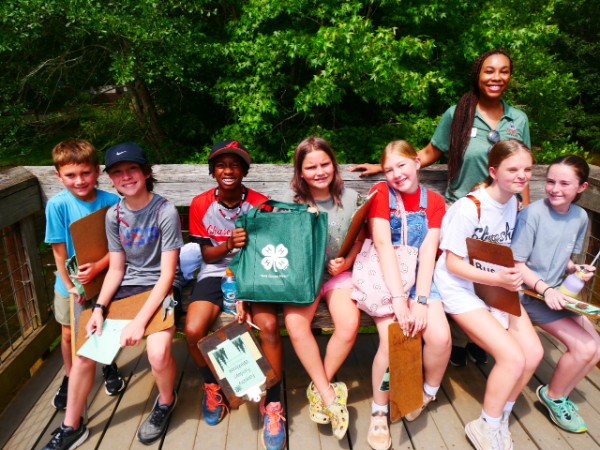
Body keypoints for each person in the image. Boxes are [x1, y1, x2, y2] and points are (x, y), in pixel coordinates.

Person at [351, 48, 532, 366]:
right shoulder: (458, 114)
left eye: (504, 71)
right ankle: (466, 344)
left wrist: (524, 213)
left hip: (501, 216)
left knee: (491, 281)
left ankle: (482, 346)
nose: (496, 77)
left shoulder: (518, 119)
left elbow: (522, 170)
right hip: (461, 211)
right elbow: (430, 151)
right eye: (489, 71)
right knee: (461, 275)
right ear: (478, 74)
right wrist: (387, 168)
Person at [42, 142, 184, 449]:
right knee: (83, 355)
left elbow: (167, 275)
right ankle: (71, 426)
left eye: (132, 168)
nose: (126, 176)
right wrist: (99, 309)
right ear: (110, 178)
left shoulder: (166, 211)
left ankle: (165, 401)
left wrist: (139, 322)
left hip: (161, 289)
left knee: (157, 352)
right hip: (125, 288)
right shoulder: (114, 215)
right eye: (118, 172)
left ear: (146, 172)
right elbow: (117, 269)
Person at [433, 139, 543, 450]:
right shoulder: (470, 207)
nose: (522, 175)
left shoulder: (515, 203)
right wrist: (497, 278)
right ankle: (484, 426)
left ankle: (498, 416)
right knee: (512, 356)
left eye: (527, 169)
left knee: (533, 354)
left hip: (492, 285)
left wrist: (505, 279)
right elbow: (453, 264)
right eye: (513, 169)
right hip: (459, 286)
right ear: (494, 171)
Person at [184, 140, 286, 450]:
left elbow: (266, 251)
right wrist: (229, 244)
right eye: (221, 165)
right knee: (193, 329)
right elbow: (207, 255)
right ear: (213, 171)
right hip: (215, 271)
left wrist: (243, 292)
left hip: (255, 271)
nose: (228, 170)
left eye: (235, 165)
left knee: (268, 326)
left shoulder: (259, 203)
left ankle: (272, 401)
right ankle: (213, 383)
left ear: (244, 170)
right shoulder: (201, 204)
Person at [361, 140, 449, 450]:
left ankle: (425, 393)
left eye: (401, 165)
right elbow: (383, 244)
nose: (396, 174)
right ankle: (379, 410)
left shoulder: (435, 202)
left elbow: (429, 253)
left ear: (417, 162)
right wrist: (400, 299)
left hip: (421, 279)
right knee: (392, 342)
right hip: (387, 278)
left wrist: (420, 301)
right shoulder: (382, 194)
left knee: (439, 337)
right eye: (388, 169)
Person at [511, 155, 600, 433]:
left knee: (596, 346)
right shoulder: (532, 214)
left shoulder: (580, 216)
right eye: (550, 181)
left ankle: (559, 394)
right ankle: (552, 396)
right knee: (584, 347)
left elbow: (565, 259)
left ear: (582, 188)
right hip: (529, 296)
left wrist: (577, 268)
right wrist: (545, 289)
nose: (555, 189)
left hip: (557, 294)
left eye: (565, 183)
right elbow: (516, 264)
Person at [282, 137, 362, 440]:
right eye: (311, 166)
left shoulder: (351, 197)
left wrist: (347, 262)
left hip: (339, 275)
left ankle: (320, 386)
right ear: (300, 172)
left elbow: (358, 239)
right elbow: (283, 245)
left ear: (334, 164)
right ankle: (330, 397)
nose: (319, 171)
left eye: (324, 164)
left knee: (350, 323)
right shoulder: (290, 202)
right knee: (294, 323)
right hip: (305, 275)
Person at [44, 139, 124, 412]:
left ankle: (108, 364)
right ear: (58, 176)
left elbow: (119, 246)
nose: (79, 181)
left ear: (97, 171)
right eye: (70, 175)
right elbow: (58, 251)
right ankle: (70, 376)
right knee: (68, 334)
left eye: (85, 173)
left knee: (105, 326)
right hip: (71, 285)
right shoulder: (57, 206)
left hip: (103, 279)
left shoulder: (112, 202)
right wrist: (71, 286)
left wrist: (100, 266)